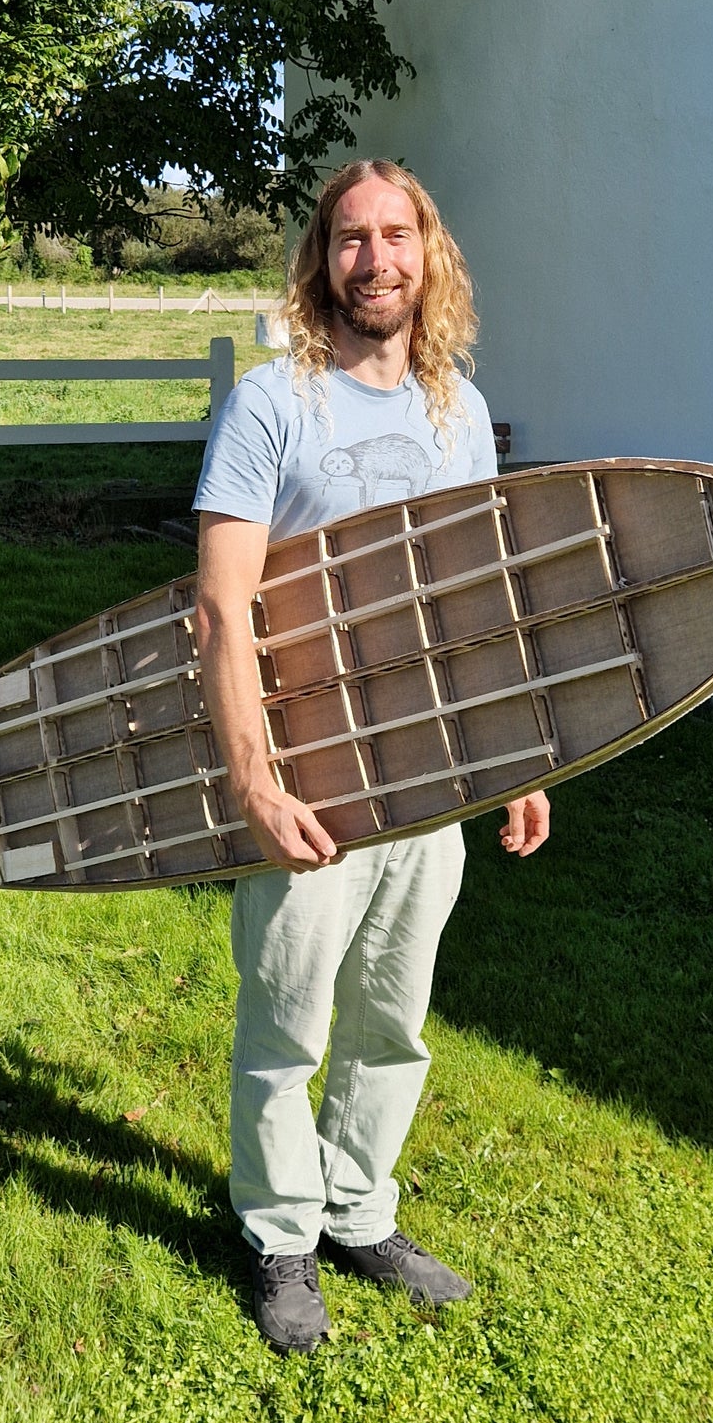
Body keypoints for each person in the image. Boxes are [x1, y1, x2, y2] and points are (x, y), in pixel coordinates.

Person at [194, 159, 551, 1354]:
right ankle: (278, 1238)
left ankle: (357, 1209)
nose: (375, 259)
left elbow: (479, 602)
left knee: (392, 1022)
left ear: (428, 253)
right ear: (319, 260)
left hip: (428, 777)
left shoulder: (457, 411)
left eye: (396, 235)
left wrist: (514, 757)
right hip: (309, 779)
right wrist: (253, 782)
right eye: (351, 239)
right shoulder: (271, 406)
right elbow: (221, 610)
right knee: (287, 1023)